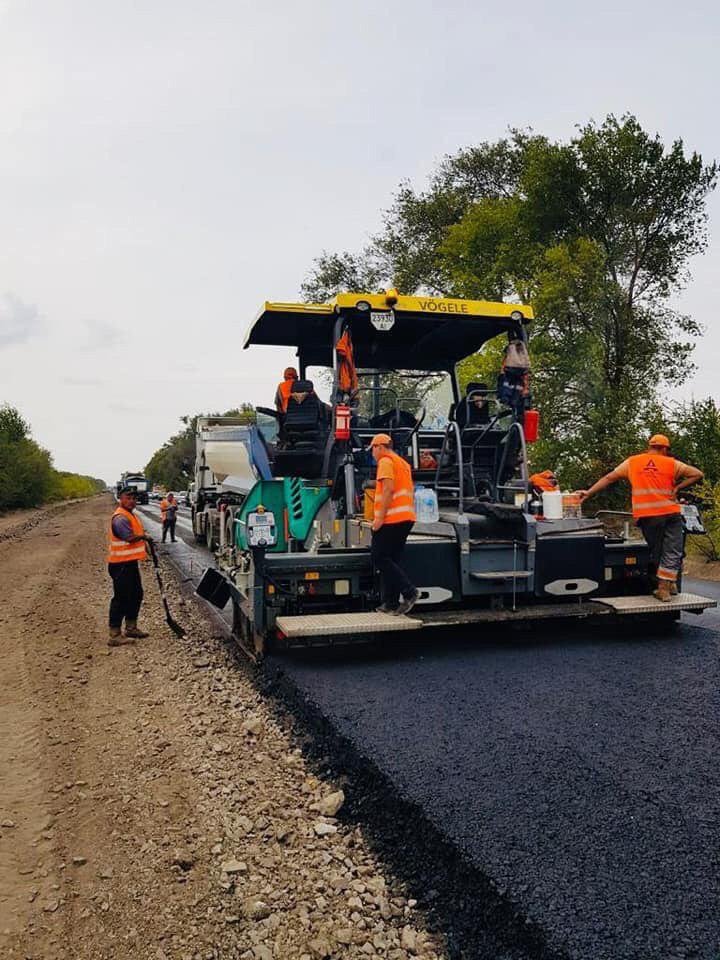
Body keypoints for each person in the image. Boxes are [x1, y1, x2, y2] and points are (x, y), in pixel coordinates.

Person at [577, 434, 703, 601]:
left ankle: (664, 587)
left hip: (648, 516)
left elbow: (609, 478)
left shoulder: (632, 462)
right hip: (671, 512)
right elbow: (697, 474)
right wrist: (677, 487)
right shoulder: (672, 463)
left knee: (658, 551)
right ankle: (665, 585)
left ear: (649, 446)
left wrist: (588, 492)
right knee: (673, 551)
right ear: (665, 449)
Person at [369, 434, 419, 616]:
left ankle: (409, 592)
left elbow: (389, 489)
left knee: (379, 557)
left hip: (392, 519)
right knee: (392, 559)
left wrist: (379, 519)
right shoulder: (402, 463)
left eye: (372, 449)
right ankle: (390, 603)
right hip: (406, 517)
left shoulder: (385, 462)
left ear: (380, 447)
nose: (372, 454)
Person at [107, 487, 152, 645]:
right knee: (121, 598)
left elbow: (134, 537)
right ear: (121, 498)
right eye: (128, 497)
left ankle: (131, 627)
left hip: (129, 563)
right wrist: (144, 537)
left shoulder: (130, 515)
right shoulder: (120, 518)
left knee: (136, 594)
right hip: (120, 565)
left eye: (133, 498)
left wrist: (143, 542)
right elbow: (128, 537)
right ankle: (115, 634)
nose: (131, 500)